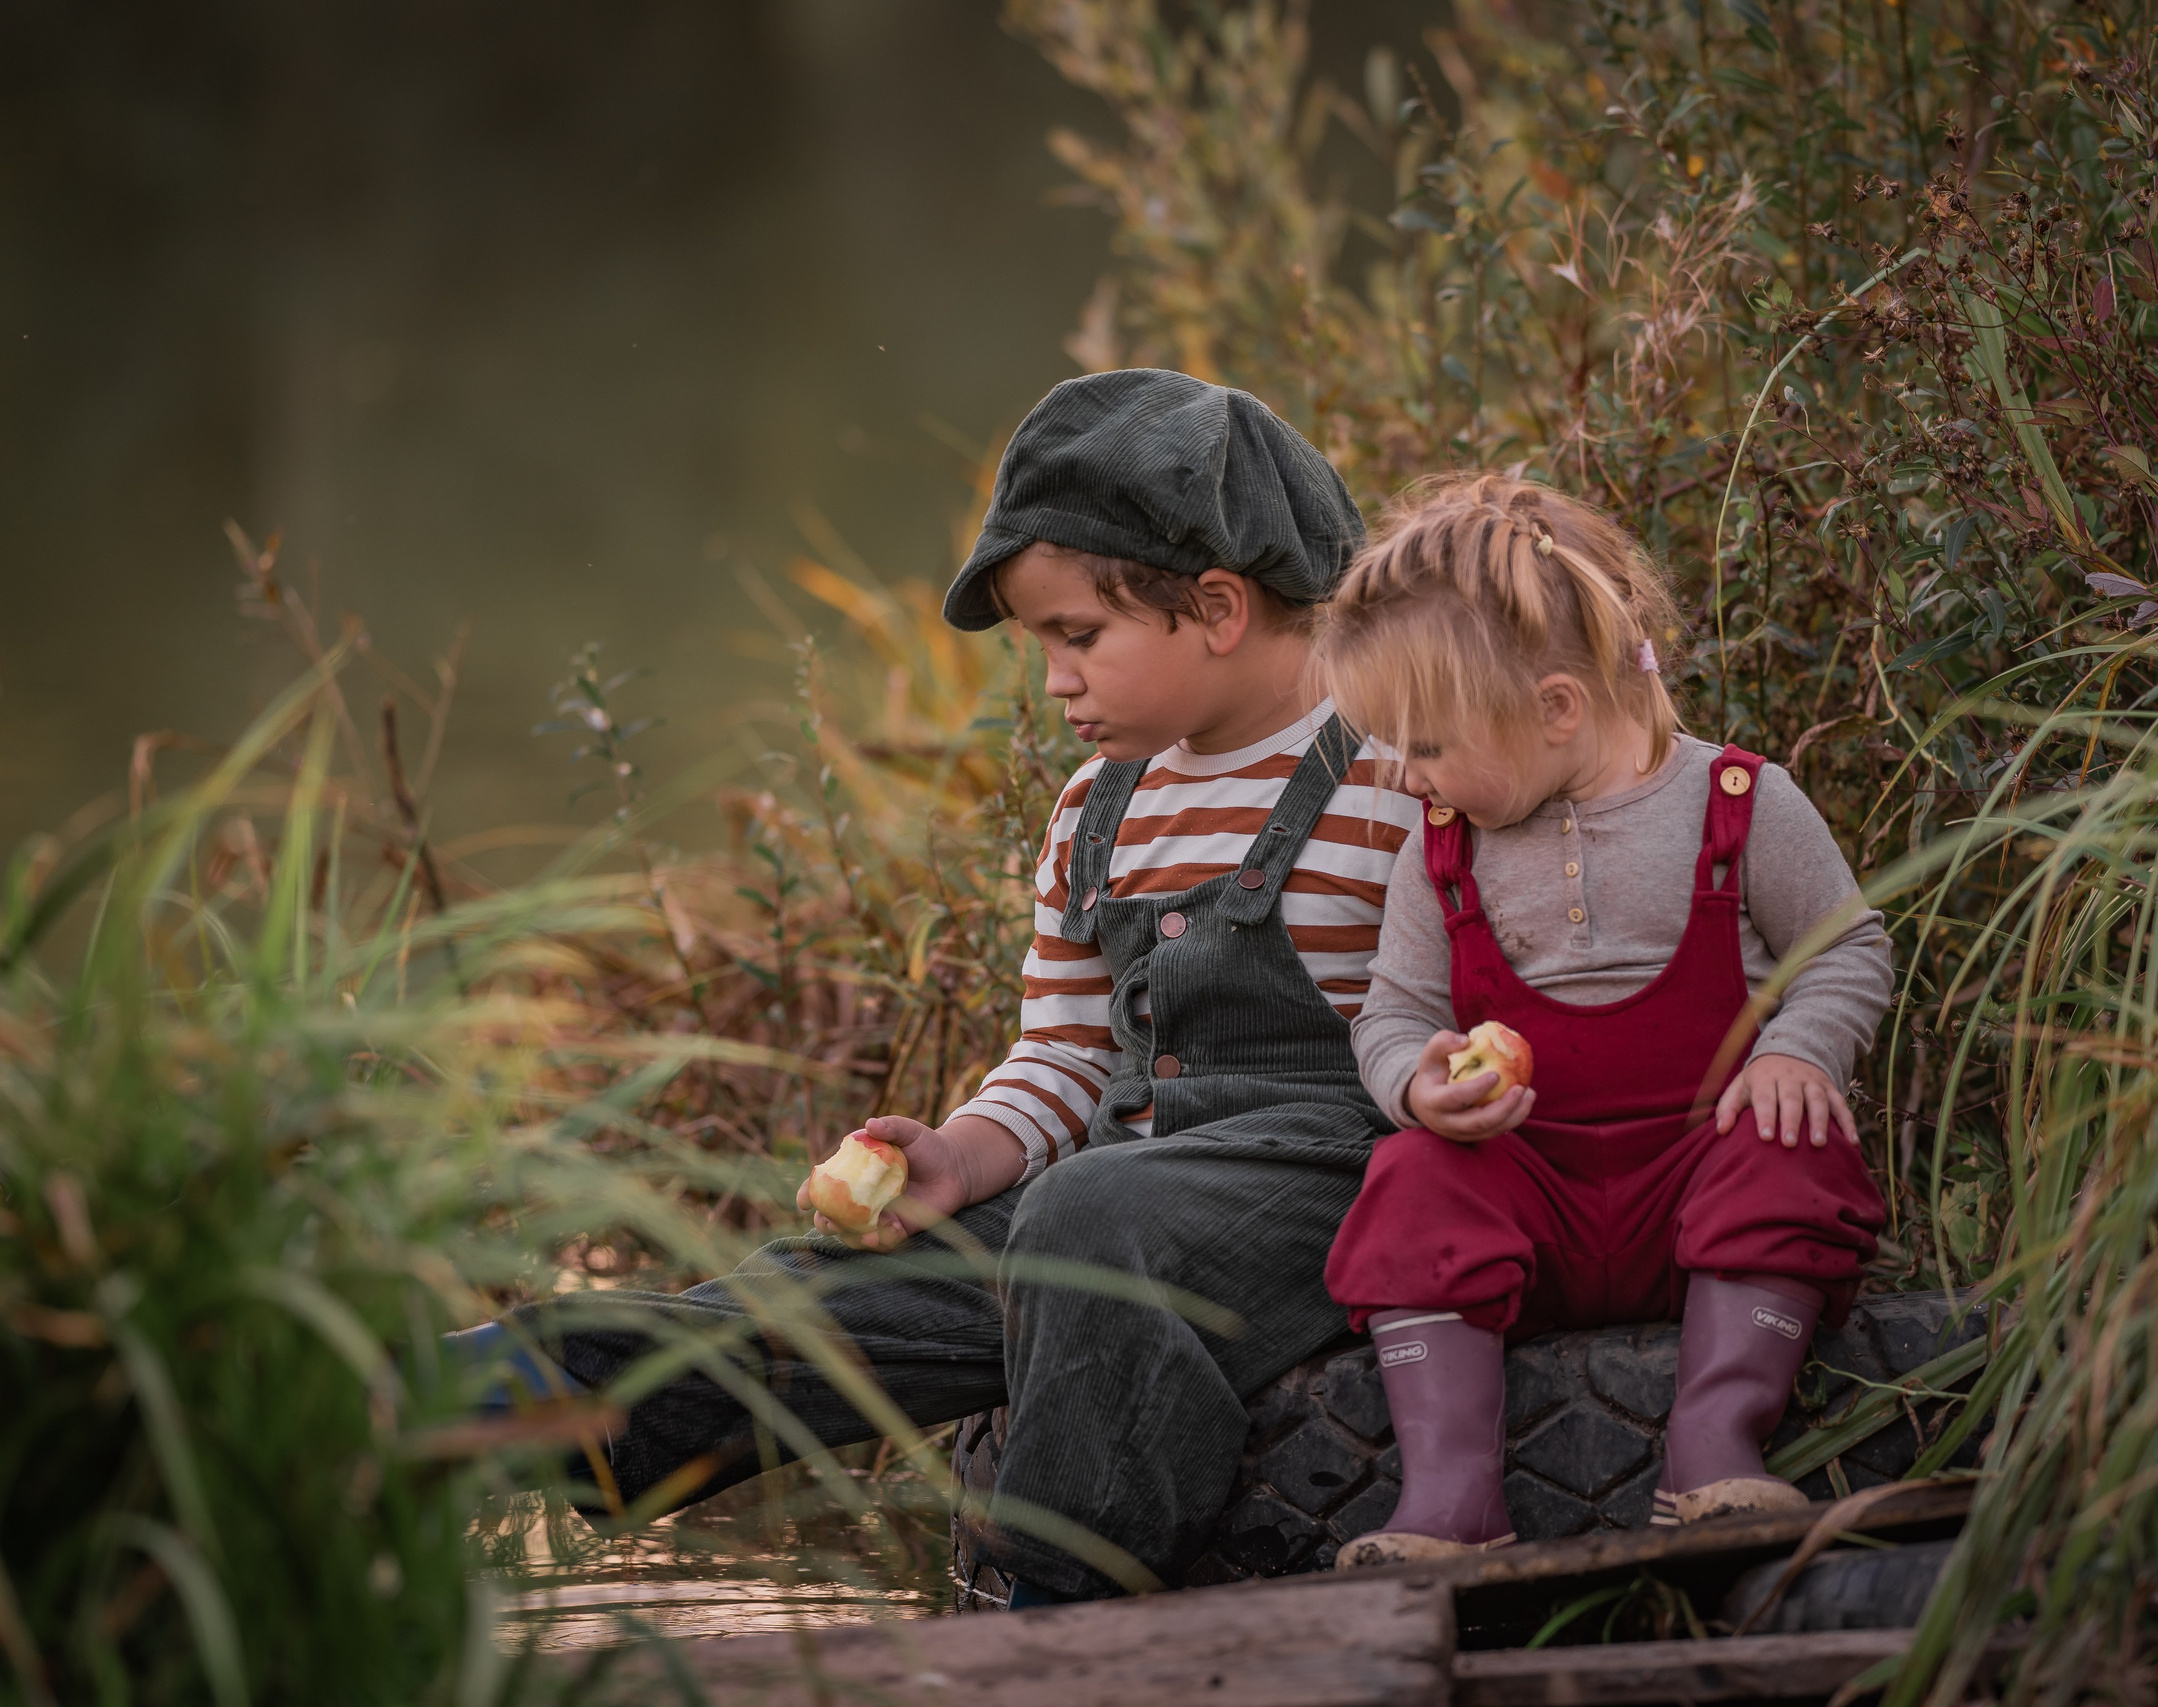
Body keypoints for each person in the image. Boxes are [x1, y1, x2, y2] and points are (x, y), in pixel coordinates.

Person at [451, 369, 1421, 1604]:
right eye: (1041, 647)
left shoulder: (1396, 769)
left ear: (1219, 608)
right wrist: (964, 1157)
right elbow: (1070, 1053)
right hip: (1119, 1205)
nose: (1055, 681)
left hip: (1330, 1181)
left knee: (1087, 1221)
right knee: (846, 1286)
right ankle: (535, 1389)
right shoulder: (1096, 810)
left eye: (1079, 639)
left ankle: (1054, 1608)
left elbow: (1450, 1017)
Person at [1314, 474, 1892, 1568]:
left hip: (1703, 1188)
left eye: (1425, 744)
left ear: (1555, 708)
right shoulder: (1437, 853)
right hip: (1536, 1205)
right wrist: (1418, 1082)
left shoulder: (1738, 803)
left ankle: (1714, 1451)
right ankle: (1449, 1500)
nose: (1402, 773)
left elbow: (1848, 948)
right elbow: (1392, 1011)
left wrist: (1796, 1049)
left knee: (1787, 1145)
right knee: (1409, 1178)